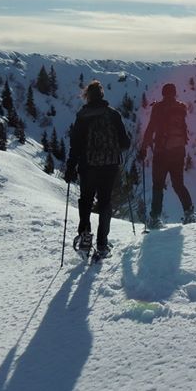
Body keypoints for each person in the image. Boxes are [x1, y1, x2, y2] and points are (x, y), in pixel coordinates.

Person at [66, 80, 130, 259]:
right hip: (109, 166)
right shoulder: (113, 114)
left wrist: (71, 166)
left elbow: (75, 145)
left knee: (86, 201)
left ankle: (85, 238)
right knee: (105, 202)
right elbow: (125, 143)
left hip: (88, 166)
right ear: (102, 95)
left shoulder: (82, 116)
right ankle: (102, 244)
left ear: (87, 96)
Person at [139, 83, 196, 227]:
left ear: (164, 93)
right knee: (178, 184)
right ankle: (189, 213)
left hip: (161, 153)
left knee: (158, 185)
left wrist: (143, 149)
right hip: (178, 151)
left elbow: (150, 129)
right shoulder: (181, 107)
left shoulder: (158, 108)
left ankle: (155, 218)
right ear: (175, 93)